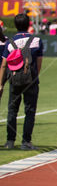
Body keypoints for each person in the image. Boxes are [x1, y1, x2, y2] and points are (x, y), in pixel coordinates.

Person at [0, 14, 42, 150]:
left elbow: (4, 65)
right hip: (31, 80)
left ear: (16, 25)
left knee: (12, 110)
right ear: (29, 24)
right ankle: (26, 141)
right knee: (30, 111)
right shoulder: (36, 40)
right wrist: (35, 76)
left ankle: (10, 141)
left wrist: (0, 83)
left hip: (14, 79)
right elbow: (39, 62)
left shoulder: (10, 42)